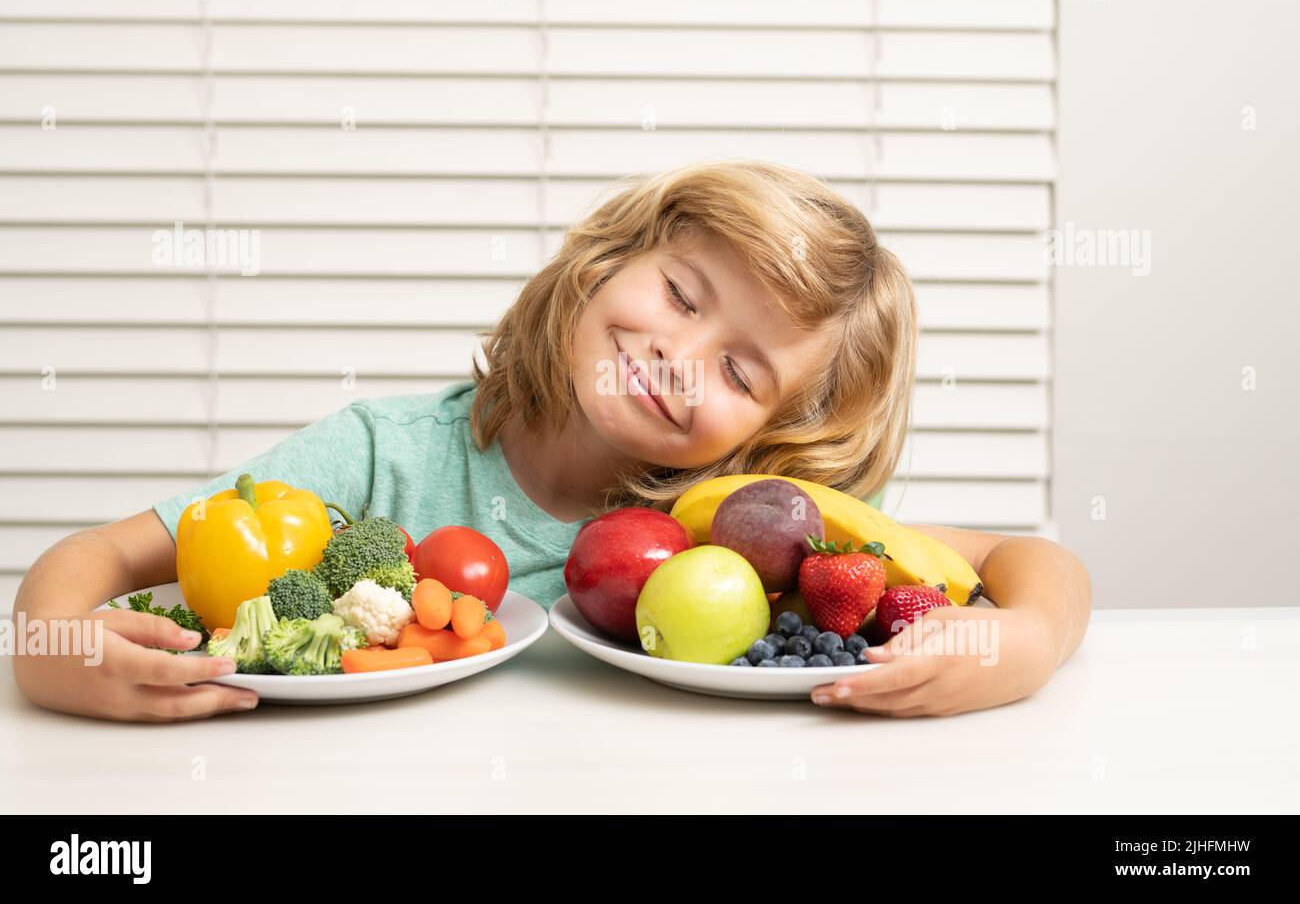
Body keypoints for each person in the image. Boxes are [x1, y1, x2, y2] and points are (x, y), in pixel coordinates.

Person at [11, 160, 1090, 721]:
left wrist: (1025, 640)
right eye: (678, 292)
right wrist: (50, 648)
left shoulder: (730, 533)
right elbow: (94, 560)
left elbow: (1021, 561)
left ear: (776, 430)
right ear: (605, 259)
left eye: (740, 369)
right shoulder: (378, 457)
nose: (680, 355)